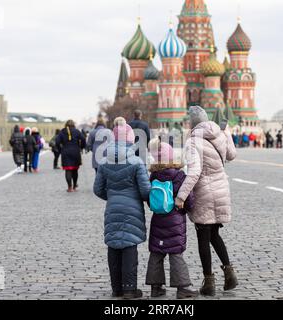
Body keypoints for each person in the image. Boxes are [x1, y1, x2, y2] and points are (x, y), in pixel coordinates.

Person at [175, 106, 238, 296]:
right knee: (214, 235)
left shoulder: (193, 141)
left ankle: (209, 282)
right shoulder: (218, 133)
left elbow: (194, 172)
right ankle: (229, 273)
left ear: (191, 123)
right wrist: (227, 133)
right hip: (221, 189)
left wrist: (181, 197)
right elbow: (231, 155)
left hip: (204, 191)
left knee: (203, 236)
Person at [93, 118, 151, 299]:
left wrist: (112, 197)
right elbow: (145, 190)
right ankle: (129, 289)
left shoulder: (103, 161)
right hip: (132, 208)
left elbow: (97, 189)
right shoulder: (136, 161)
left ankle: (116, 288)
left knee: (113, 246)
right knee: (129, 247)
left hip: (112, 208)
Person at [145, 139, 198, 299]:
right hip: (175, 219)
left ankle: (156, 288)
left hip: (158, 218)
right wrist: (188, 207)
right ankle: (182, 289)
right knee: (176, 253)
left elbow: (150, 198)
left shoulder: (154, 175)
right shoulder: (179, 175)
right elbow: (189, 200)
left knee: (156, 252)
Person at [56, 120, 86, 192]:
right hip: (75, 152)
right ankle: (75, 186)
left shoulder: (62, 132)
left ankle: (70, 187)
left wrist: (60, 149)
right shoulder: (77, 131)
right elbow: (83, 139)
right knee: (75, 170)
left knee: (68, 170)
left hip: (65, 152)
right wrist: (81, 147)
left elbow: (57, 142)